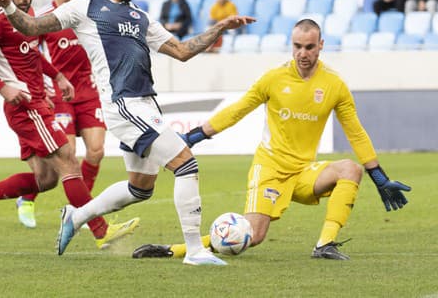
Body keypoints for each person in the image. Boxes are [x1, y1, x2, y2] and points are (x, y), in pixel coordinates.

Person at [0, 0, 255, 265]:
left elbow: (182, 51)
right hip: (123, 105)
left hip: (147, 105)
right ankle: (195, 251)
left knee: (140, 189)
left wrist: (218, 28)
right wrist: (8, 8)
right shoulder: (85, 7)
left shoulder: (140, 16)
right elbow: (32, 27)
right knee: (186, 164)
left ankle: (75, 217)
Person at [132, 19, 411, 261]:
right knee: (252, 236)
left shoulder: (334, 85)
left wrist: (379, 176)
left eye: (309, 47)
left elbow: (356, 131)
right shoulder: (274, 78)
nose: (302, 53)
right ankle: (174, 249)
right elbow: (238, 109)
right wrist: (194, 136)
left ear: (321, 45)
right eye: (297, 46)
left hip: (304, 171)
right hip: (271, 170)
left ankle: (324, 244)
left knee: (350, 169)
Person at [0, 0, 139, 249]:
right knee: (68, 160)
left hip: (38, 102)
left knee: (46, 179)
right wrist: (2, 88)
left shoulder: (28, 16)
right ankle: (101, 231)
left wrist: (56, 75)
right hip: (24, 105)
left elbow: (31, 55)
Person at [14, 0, 108, 229]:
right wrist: (40, 86)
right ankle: (28, 197)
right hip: (59, 96)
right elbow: (30, 52)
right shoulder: (44, 18)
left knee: (97, 151)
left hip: (89, 92)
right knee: (68, 159)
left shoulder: (87, 13)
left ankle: (79, 207)